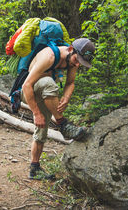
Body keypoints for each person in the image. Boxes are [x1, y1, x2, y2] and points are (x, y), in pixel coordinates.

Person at [21, 38, 95, 180]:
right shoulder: (49, 56)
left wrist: (66, 97)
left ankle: (34, 168)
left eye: (81, 62)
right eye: (77, 59)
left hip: (45, 94)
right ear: (70, 49)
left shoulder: (73, 59)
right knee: (49, 83)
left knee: (42, 129)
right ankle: (63, 124)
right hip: (27, 92)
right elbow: (26, 85)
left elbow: (70, 82)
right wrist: (36, 113)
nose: (78, 64)